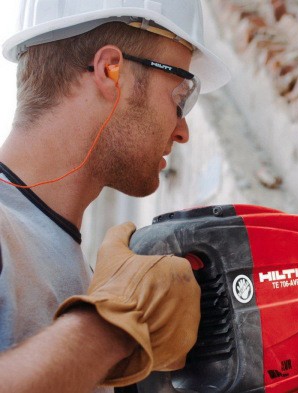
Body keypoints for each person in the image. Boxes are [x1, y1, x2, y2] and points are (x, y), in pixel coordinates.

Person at [0, 1, 230, 392]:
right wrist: (111, 326)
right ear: (111, 71)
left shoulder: (79, 269)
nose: (182, 131)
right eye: (179, 99)